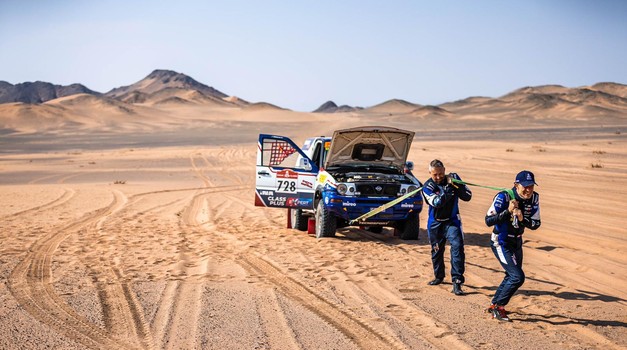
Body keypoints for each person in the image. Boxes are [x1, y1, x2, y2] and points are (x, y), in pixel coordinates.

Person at [485, 170, 541, 321]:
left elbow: (536, 224)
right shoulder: (503, 196)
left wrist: (522, 219)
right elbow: (488, 221)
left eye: (531, 186)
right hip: (501, 241)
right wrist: (507, 212)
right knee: (517, 277)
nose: (528, 190)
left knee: (512, 275)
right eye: (525, 186)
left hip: (517, 241)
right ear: (516, 185)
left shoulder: (534, 198)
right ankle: (499, 307)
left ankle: (494, 304)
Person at [422, 159, 472, 295]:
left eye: (440, 174)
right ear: (430, 173)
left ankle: (457, 281)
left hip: (452, 221)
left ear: (444, 170)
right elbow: (437, 202)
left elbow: (468, 196)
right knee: (437, 250)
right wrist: (449, 189)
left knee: (457, 247)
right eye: (435, 175)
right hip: (435, 223)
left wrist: (458, 185)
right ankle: (439, 276)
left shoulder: (453, 179)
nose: (438, 177)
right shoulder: (427, 187)